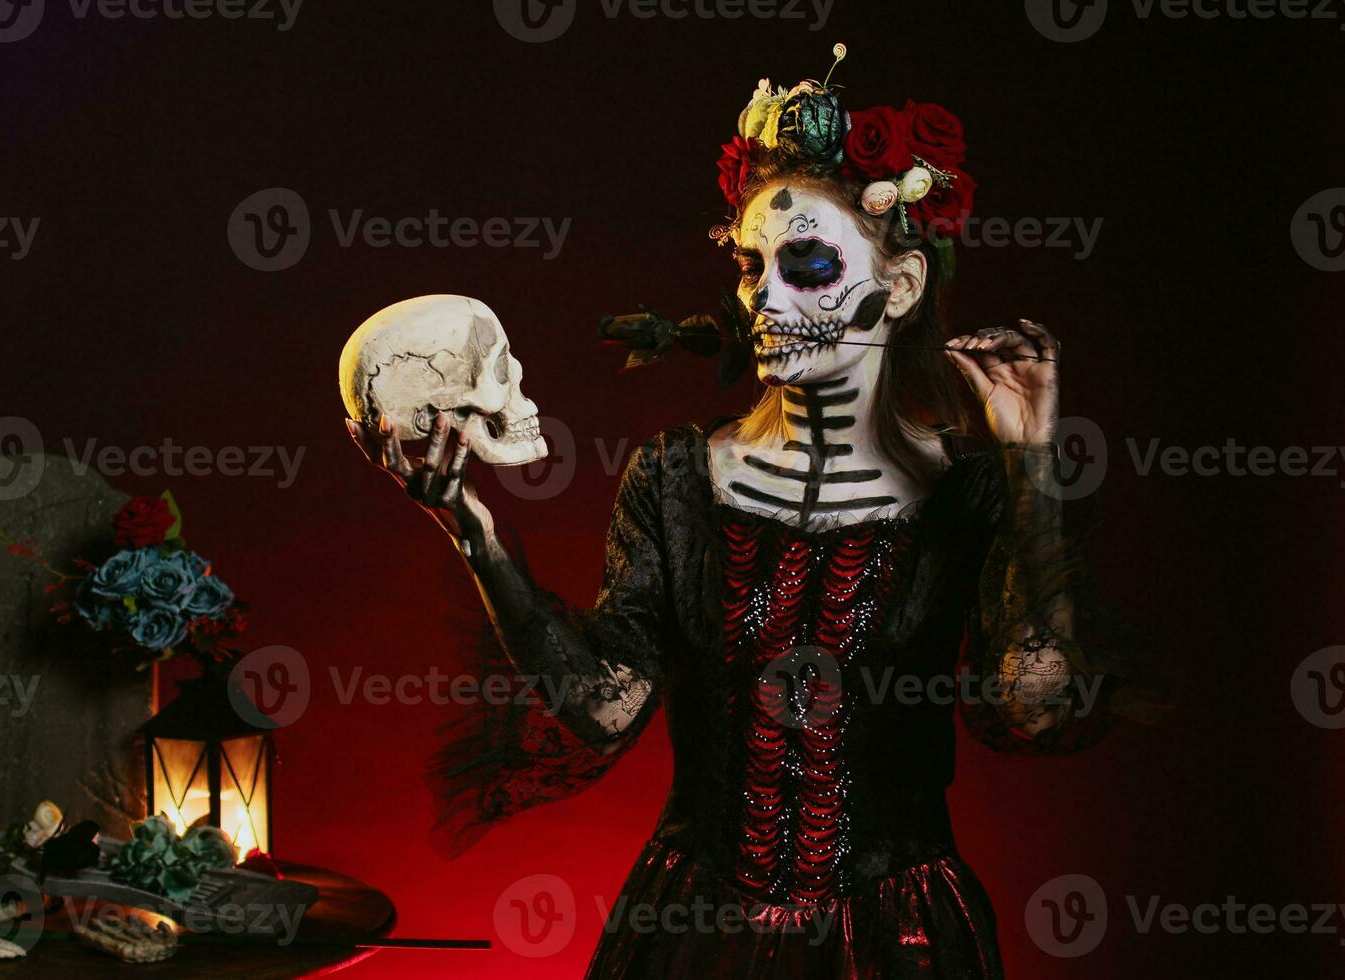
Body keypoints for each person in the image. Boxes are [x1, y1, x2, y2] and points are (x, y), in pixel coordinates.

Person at [347, 51, 1103, 978]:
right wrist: (475, 532)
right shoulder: (676, 477)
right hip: (696, 939)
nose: (765, 300)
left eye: (809, 264)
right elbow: (604, 705)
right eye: (751, 268)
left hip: (899, 944)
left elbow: (1033, 708)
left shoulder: (968, 490)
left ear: (899, 287)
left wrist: (1031, 474)